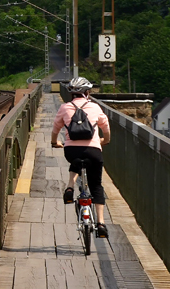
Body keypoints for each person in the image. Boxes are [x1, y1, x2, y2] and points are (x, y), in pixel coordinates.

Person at [51, 76, 111, 238]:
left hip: (71, 151)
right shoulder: (95, 107)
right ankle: (101, 223)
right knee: (96, 186)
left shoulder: (64, 107)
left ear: (71, 93)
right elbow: (105, 127)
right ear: (87, 93)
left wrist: (54, 142)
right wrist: (105, 140)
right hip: (93, 151)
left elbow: (56, 128)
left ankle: (70, 186)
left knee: (76, 161)